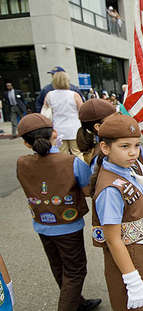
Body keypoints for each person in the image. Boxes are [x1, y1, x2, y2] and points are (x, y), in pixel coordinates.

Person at [16, 113, 101, 311]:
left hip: (42, 225)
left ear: (27, 144)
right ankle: (69, 305)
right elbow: (88, 190)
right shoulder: (71, 162)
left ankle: (76, 302)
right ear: (54, 133)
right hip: (68, 226)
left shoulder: (22, 162)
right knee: (75, 270)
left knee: (59, 268)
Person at [91, 114, 143, 311]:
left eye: (136, 145)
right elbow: (113, 239)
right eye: (124, 146)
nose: (133, 153)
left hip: (141, 248)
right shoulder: (110, 189)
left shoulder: (125, 169)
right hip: (130, 256)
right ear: (105, 148)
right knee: (132, 304)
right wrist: (132, 279)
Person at [42, 71, 84, 159]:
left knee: (62, 155)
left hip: (58, 129)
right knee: (78, 152)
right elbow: (82, 111)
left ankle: (65, 171)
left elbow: (45, 111)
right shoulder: (74, 95)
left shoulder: (49, 95)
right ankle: (81, 171)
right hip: (74, 128)